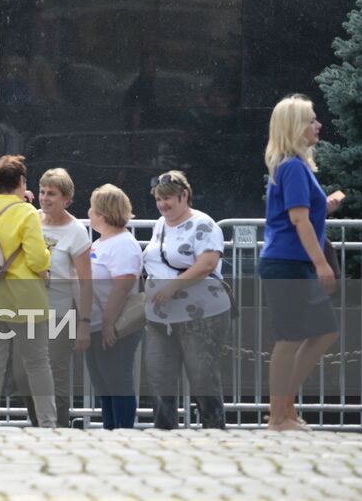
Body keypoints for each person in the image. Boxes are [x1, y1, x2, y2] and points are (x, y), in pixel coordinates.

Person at [259, 94, 343, 431]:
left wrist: (328, 204)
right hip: (287, 263)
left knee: (323, 331)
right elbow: (299, 220)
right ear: (295, 127)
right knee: (290, 338)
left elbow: (304, 213)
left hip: (292, 263)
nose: (318, 125)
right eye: (311, 120)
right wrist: (322, 265)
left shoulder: (293, 166)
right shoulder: (292, 166)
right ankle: (279, 416)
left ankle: (285, 409)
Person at [0, 155, 54, 427]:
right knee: (38, 363)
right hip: (24, 298)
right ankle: (48, 423)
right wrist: (46, 267)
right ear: (20, 182)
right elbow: (37, 259)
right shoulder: (26, 212)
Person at [142, 170, 228, 430]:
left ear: (184, 195)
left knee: (202, 378)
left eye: (168, 198)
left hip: (200, 315)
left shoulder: (204, 224)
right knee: (158, 377)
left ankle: (214, 431)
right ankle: (165, 432)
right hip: (160, 317)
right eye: (159, 199)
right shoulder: (160, 224)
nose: (163, 204)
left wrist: (171, 289)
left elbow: (207, 264)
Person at [12, 168, 91, 428]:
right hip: (26, 311)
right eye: (43, 192)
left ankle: (57, 429)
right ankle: (38, 424)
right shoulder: (31, 218)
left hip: (58, 312)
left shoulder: (76, 231)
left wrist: (84, 322)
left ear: (67, 199)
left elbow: (84, 280)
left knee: (55, 376)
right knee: (22, 375)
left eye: (52, 194)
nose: (45, 198)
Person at [85, 183, 143, 429]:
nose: (88, 212)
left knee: (117, 380)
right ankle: (110, 429)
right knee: (103, 383)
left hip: (115, 326)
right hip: (97, 325)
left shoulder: (123, 244)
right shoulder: (101, 242)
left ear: (102, 212)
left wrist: (108, 322)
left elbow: (122, 286)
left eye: (92, 207)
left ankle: (123, 430)